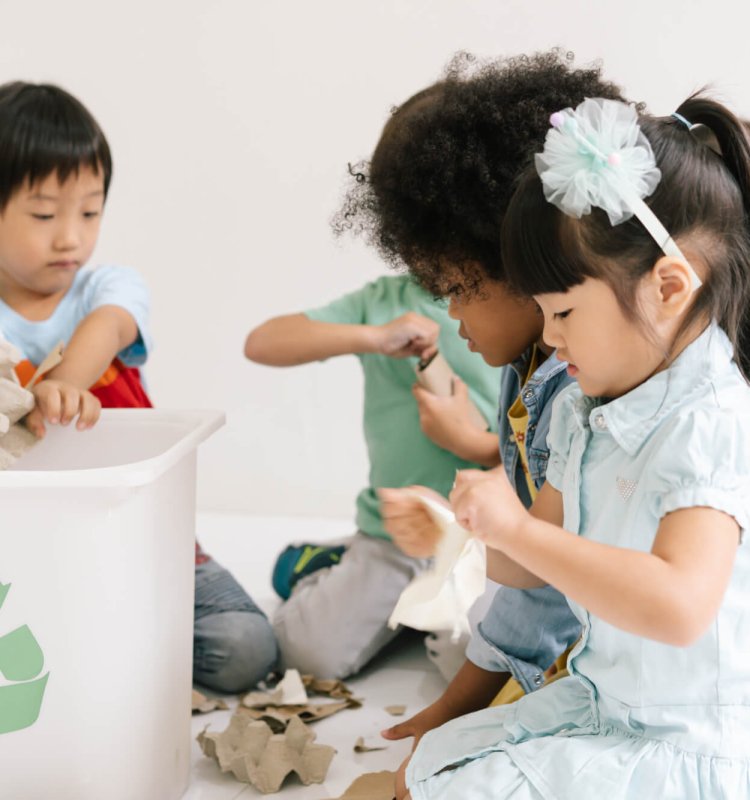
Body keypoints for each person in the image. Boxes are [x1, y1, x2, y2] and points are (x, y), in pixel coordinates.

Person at [399, 94, 750, 799]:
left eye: (562, 312)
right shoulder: (588, 407)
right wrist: (458, 529)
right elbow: (534, 561)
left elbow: (680, 607)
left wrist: (518, 527)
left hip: (686, 743)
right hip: (605, 702)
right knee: (427, 768)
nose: (550, 338)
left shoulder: (708, 421)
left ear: (669, 288)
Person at [335, 50, 625, 746]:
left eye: (461, 290)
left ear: (529, 265)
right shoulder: (530, 365)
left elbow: (539, 592)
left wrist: (456, 713)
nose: (451, 317)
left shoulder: (582, 389)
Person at [0, 81, 277, 693]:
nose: (70, 236)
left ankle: (117, 652)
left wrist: (67, 382)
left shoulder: (106, 288)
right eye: (44, 214)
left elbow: (109, 325)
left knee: (245, 647)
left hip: (143, 540)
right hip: (23, 554)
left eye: (90, 211)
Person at [244, 274, 501, 679]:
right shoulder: (385, 300)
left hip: (489, 543)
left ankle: (411, 612)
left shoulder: (520, 301)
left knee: (474, 666)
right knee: (307, 656)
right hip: (394, 537)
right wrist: (373, 337)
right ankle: (322, 565)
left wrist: (468, 442)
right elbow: (262, 343)